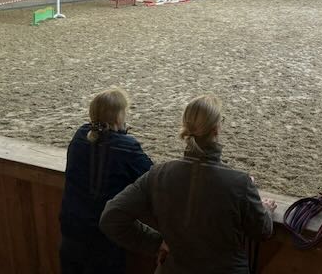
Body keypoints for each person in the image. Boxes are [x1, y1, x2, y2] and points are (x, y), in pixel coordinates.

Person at [100, 95, 277, 273]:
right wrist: (265, 208)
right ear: (216, 129)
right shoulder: (240, 182)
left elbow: (111, 217)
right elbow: (263, 231)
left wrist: (156, 243)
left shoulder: (158, 174)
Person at [59, 88, 154, 274]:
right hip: (102, 235)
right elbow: (152, 176)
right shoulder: (127, 147)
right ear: (119, 117)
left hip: (71, 228)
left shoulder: (79, 136)